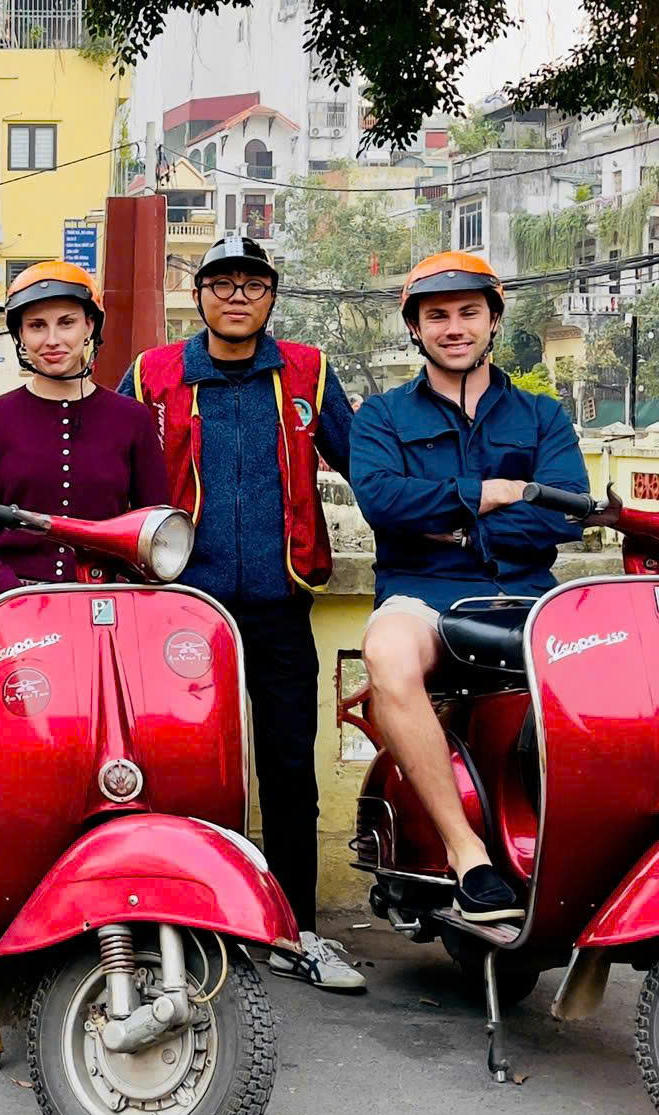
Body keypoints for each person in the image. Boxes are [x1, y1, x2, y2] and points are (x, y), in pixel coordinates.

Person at [118, 235, 365, 993]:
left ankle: (295, 929)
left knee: (289, 767)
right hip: (179, 608)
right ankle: (184, 922)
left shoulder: (308, 372)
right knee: (179, 767)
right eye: (220, 283)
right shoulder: (153, 373)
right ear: (198, 296)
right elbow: (113, 471)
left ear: (271, 296)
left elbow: (366, 464)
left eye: (252, 284)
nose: (236, 296)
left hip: (278, 602)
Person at [348, 252, 588, 924]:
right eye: (437, 316)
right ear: (415, 328)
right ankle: (467, 852)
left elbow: (564, 514)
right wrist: (489, 492)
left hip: (527, 599)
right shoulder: (382, 418)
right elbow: (384, 502)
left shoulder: (541, 416)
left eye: (467, 313)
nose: (453, 328)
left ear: (493, 321)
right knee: (388, 654)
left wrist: (455, 527)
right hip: (423, 596)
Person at [0, 263, 167, 915]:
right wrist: (12, 598)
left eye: (66, 322)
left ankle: (145, 846)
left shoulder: (132, 421)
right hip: (10, 601)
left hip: (108, 606)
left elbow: (155, 526)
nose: (52, 338)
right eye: (36, 326)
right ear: (20, 337)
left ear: (91, 328)